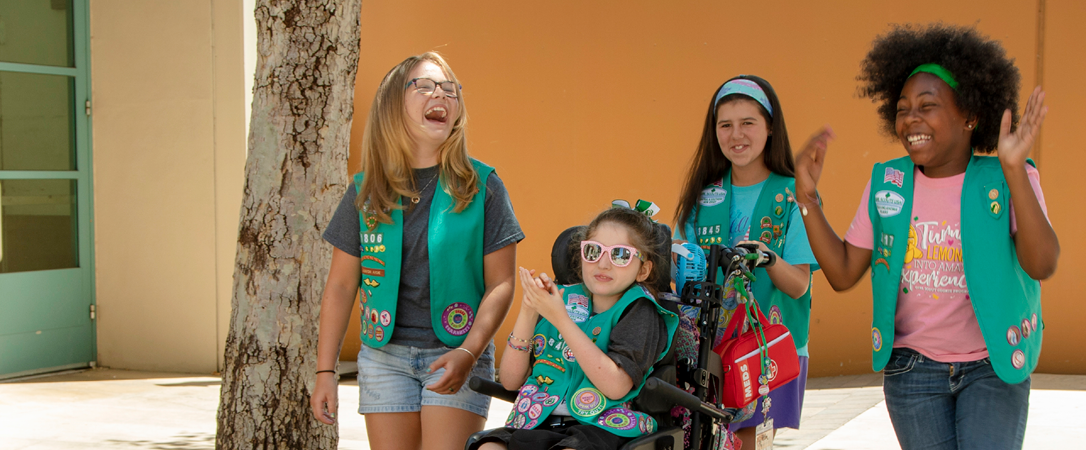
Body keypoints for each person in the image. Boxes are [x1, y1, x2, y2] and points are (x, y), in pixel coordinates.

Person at [791, 24, 1059, 450]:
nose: (911, 118)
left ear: (970, 116)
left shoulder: (1007, 179)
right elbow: (842, 273)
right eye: (902, 108)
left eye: (927, 105)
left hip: (992, 367)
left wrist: (1014, 171)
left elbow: (1042, 263)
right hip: (912, 373)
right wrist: (807, 198)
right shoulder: (888, 183)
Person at [312, 51, 525, 450]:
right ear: (393, 106)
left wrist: (469, 351)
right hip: (382, 358)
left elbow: (501, 284)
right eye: (424, 86)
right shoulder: (364, 192)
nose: (439, 95)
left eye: (449, 89)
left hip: (456, 351)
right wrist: (326, 370)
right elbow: (340, 286)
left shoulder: (484, 187)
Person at [671, 75, 818, 448]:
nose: (736, 134)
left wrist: (767, 258)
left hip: (765, 350)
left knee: (749, 443)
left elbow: (799, 283)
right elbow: (677, 266)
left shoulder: (793, 195)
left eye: (748, 123)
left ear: (770, 128)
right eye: (725, 125)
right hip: (708, 349)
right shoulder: (703, 196)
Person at [471, 205, 678, 450]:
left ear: (643, 269)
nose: (603, 264)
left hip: (603, 426)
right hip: (538, 419)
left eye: (620, 255)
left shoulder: (640, 311)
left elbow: (615, 386)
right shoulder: (560, 298)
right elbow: (510, 381)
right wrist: (528, 311)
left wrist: (561, 320)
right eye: (593, 251)